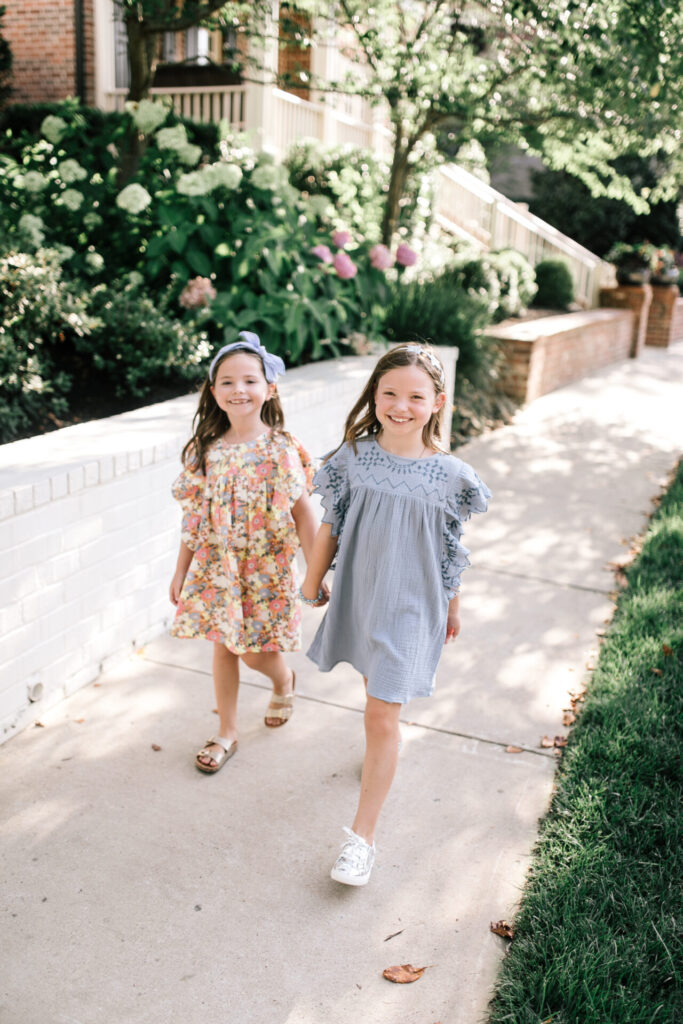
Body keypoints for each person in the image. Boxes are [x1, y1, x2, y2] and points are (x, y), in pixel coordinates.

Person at [300, 342, 490, 885]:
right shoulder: (353, 459)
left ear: (437, 402)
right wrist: (312, 581)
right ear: (374, 396)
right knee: (373, 699)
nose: (400, 405)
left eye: (415, 396)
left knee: (382, 714)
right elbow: (331, 526)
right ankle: (379, 752)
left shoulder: (452, 475)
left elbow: (450, 549)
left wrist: (453, 605)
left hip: (414, 605)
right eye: (389, 393)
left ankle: (361, 841)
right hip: (362, 593)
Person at [169, 331, 322, 773]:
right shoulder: (208, 453)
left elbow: (304, 516)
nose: (239, 390)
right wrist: (181, 570)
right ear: (214, 392)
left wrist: (313, 572)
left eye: (250, 381)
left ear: (269, 389)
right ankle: (227, 731)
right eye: (228, 382)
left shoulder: (280, 449)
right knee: (223, 646)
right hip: (218, 569)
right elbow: (194, 519)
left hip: (266, 569)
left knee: (255, 651)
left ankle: (282, 678)